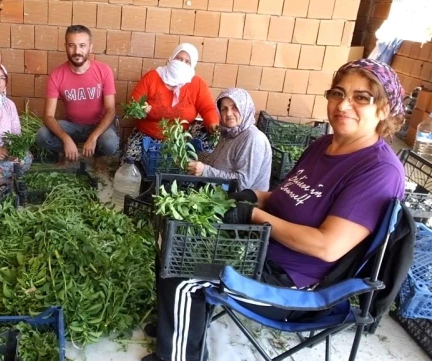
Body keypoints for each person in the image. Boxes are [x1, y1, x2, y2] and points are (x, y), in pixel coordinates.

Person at [144, 58, 406, 361]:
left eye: (361, 97)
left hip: (294, 285)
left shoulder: (379, 170)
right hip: (259, 250)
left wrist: (254, 215)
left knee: (184, 276)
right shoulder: (322, 146)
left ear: (384, 109)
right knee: (177, 243)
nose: (343, 105)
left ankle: (174, 354)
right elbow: (284, 197)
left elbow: (327, 246)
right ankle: (177, 326)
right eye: (337, 93)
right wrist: (248, 195)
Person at [122, 43, 219, 162]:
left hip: (180, 138)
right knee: (130, 165)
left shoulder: (197, 84)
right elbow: (133, 103)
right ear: (171, 58)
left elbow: (207, 108)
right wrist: (142, 109)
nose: (181, 63)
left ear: (192, 65)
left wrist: (213, 124)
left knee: (207, 135)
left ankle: (203, 169)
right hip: (147, 135)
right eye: (179, 58)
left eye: (187, 61)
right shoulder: (152, 77)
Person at [36, 25, 119, 164]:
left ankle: (97, 157)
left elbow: (111, 110)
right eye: (72, 45)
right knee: (42, 135)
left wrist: (93, 137)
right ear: (65, 47)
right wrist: (65, 139)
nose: (77, 51)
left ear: (90, 47)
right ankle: (68, 152)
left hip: (98, 125)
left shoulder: (104, 71)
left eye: (82, 45)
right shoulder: (56, 75)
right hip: (72, 126)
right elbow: (48, 116)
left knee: (110, 143)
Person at [187, 88, 271, 191]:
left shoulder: (253, 138)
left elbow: (241, 184)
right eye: (224, 109)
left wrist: (205, 171)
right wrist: (197, 158)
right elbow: (221, 161)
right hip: (218, 193)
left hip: (241, 202)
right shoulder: (228, 132)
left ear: (244, 108)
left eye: (234, 107)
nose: (228, 113)